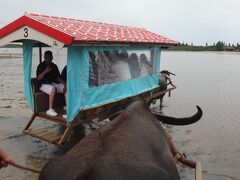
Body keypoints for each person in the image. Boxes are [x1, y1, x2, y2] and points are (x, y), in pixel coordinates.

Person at [37, 51, 66, 117]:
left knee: (65, 87)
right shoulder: (41, 66)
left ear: (52, 57)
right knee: (53, 89)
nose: (48, 59)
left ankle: (67, 106)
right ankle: (50, 110)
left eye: (49, 58)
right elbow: (38, 78)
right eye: (46, 58)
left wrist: (64, 83)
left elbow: (58, 77)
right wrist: (46, 71)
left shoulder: (54, 66)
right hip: (43, 84)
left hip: (52, 83)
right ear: (44, 57)